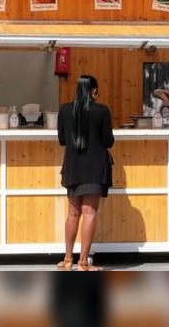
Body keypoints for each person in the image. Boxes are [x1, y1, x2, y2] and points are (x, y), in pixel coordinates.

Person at [56, 75, 114, 271]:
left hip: (72, 167)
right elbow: (108, 141)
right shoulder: (102, 111)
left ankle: (67, 259)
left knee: (73, 213)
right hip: (95, 168)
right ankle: (83, 262)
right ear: (94, 91)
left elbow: (62, 140)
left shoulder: (64, 110)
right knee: (89, 213)